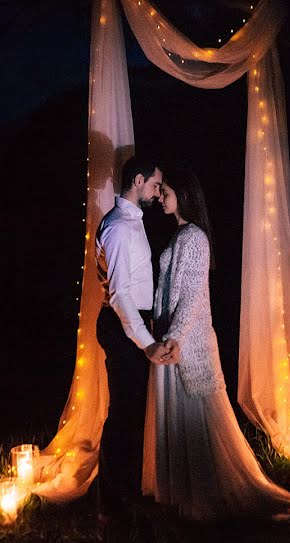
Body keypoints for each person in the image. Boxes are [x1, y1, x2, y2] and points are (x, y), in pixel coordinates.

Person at [142, 168, 290, 521]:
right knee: (182, 419)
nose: (159, 196)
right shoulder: (181, 236)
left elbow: (191, 296)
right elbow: (169, 291)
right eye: (158, 191)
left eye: (165, 190)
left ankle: (204, 495)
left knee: (199, 419)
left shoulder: (193, 239)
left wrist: (174, 336)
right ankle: (185, 495)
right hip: (171, 340)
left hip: (186, 344)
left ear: (184, 192)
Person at [94, 155, 179, 520]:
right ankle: (111, 504)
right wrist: (146, 341)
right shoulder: (117, 228)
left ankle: (126, 492)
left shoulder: (133, 223)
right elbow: (119, 294)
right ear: (139, 181)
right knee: (124, 411)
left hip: (135, 324)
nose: (158, 192)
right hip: (123, 325)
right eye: (156, 185)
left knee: (132, 410)